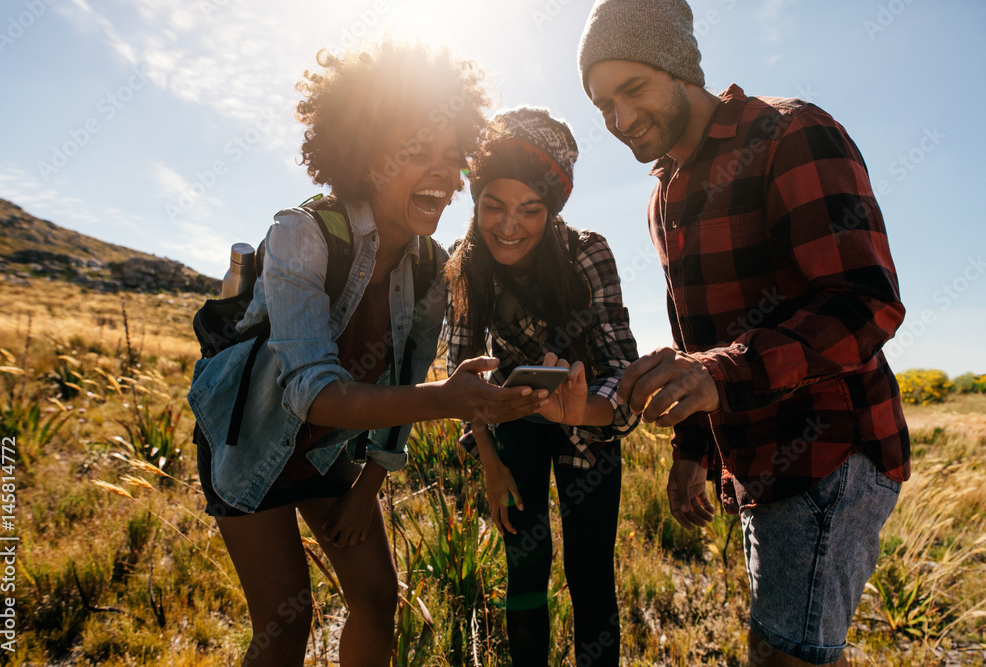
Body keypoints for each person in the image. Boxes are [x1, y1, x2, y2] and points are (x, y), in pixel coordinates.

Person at [187, 42, 551, 667]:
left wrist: (368, 486)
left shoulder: (433, 264)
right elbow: (312, 391)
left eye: (451, 158)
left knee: (379, 598)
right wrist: (446, 400)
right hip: (248, 439)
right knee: (286, 620)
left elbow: (406, 387)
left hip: (324, 450)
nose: (442, 174)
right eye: (417, 153)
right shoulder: (300, 233)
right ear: (367, 157)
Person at [577, 1, 910, 665]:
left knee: (784, 654)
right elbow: (692, 339)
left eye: (632, 89)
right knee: (783, 646)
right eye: (603, 105)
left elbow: (864, 304)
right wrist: (690, 449)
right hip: (756, 461)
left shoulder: (790, 133)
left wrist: (718, 375)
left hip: (828, 451)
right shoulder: (664, 194)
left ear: (679, 68)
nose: (619, 119)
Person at [444, 107, 641, 667]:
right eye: (493, 207)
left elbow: (622, 375)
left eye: (530, 210)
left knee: (589, 572)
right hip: (512, 429)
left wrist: (580, 415)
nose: (509, 226)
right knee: (524, 564)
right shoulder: (467, 266)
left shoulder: (588, 253)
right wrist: (490, 462)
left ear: (551, 208)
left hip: (589, 425)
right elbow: (463, 374)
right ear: (475, 201)